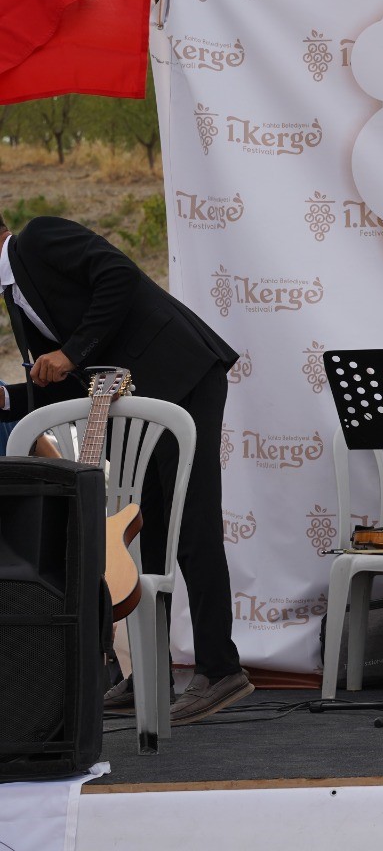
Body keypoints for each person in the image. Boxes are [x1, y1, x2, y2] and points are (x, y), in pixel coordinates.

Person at [0, 212, 253, 724]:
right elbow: (57, 378)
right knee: (151, 534)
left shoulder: (40, 236)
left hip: (182, 374)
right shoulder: (14, 291)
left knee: (193, 524)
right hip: (136, 399)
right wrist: (7, 396)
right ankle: (153, 674)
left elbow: (118, 275)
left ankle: (221, 668)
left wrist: (70, 353)